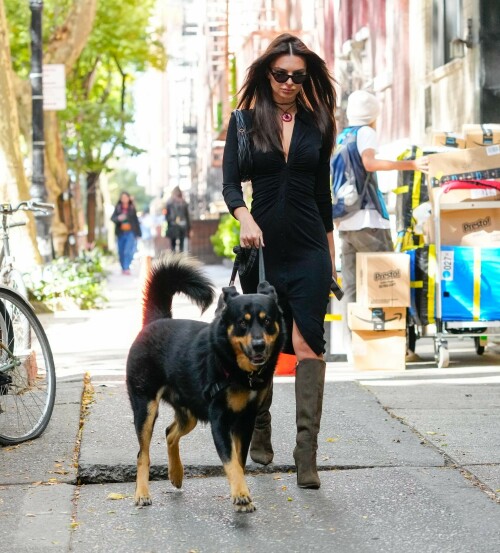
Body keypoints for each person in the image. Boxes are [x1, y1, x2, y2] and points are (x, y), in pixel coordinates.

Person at [222, 33, 337, 489]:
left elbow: (322, 198)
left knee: (309, 344)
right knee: (263, 346)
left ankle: (306, 456)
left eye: (298, 76)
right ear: (267, 73)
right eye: (280, 74)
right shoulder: (245, 123)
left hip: (309, 249)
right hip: (262, 251)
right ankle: (261, 425)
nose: (289, 83)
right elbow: (231, 184)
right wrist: (244, 218)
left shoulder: (317, 123)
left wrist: (329, 260)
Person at [333, 90, 429, 360]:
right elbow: (370, 163)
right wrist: (412, 164)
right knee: (386, 281)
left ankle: (355, 348)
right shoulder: (365, 132)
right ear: (373, 114)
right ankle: (394, 346)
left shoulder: (343, 136)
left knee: (351, 287)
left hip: (346, 221)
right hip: (368, 221)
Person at [110, 191, 141, 275]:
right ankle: (123, 267)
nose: (124, 199)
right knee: (121, 251)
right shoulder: (118, 208)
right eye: (122, 197)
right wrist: (119, 218)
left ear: (128, 198)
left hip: (130, 232)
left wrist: (138, 233)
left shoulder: (132, 208)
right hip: (121, 232)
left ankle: (127, 267)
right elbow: (112, 218)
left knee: (128, 251)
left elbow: (136, 221)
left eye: (125, 197)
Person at [165, 186, 191, 253]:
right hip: (176, 225)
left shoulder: (182, 203)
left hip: (177, 225)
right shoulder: (170, 203)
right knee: (177, 245)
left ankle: (177, 259)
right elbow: (167, 216)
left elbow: (187, 216)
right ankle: (177, 259)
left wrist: (189, 228)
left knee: (178, 245)